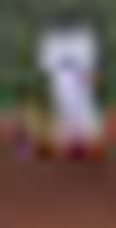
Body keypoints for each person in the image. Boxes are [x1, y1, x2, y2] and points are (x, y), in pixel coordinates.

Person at [36, 21, 105, 157]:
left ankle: (89, 142)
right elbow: (47, 64)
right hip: (61, 74)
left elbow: (90, 59)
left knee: (84, 106)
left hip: (79, 73)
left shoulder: (84, 38)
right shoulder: (51, 39)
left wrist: (93, 73)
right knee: (63, 106)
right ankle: (69, 143)